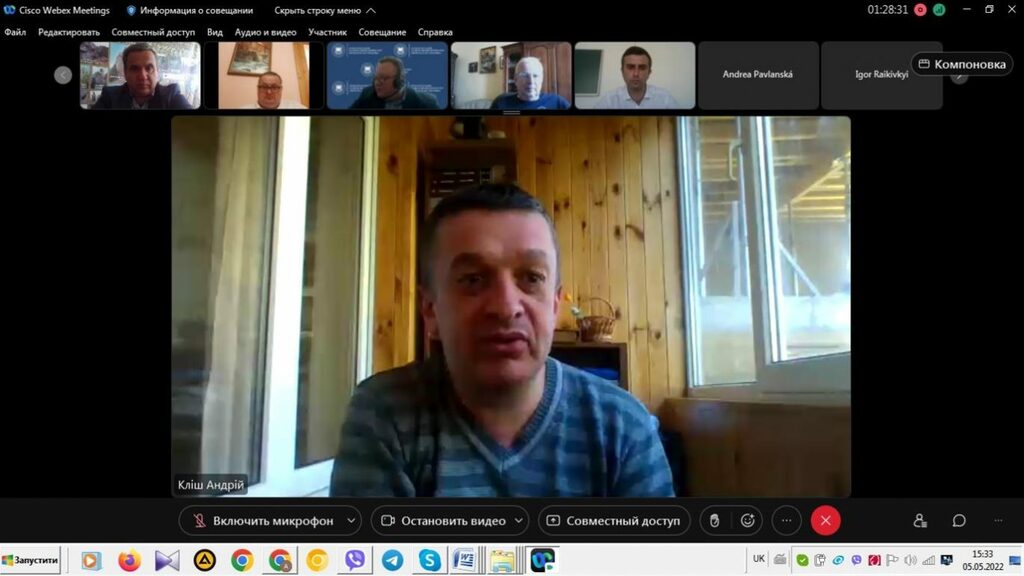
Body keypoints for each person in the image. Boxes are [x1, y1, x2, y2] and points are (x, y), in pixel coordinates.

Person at [330, 183, 675, 497]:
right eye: (473, 279)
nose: (506, 307)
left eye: (531, 278)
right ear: (430, 309)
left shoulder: (623, 427)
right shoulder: (383, 415)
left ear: (555, 306)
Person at [92, 43, 192, 110]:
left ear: (157, 72)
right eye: (134, 69)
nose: (143, 76)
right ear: (125, 73)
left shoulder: (171, 96)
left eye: (149, 68)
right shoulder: (109, 97)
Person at [594, 46, 681, 109]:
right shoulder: (609, 101)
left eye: (642, 68)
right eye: (630, 67)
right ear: (622, 71)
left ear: (649, 72)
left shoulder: (665, 99)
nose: (636, 73)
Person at [349, 57, 440, 109]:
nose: (377, 83)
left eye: (384, 78)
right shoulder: (367, 94)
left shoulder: (426, 103)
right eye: (376, 78)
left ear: (400, 80)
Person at [490, 57, 571, 110]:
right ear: (515, 79)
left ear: (541, 79)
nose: (531, 81)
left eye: (535, 76)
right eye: (525, 75)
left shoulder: (558, 102)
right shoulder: (501, 102)